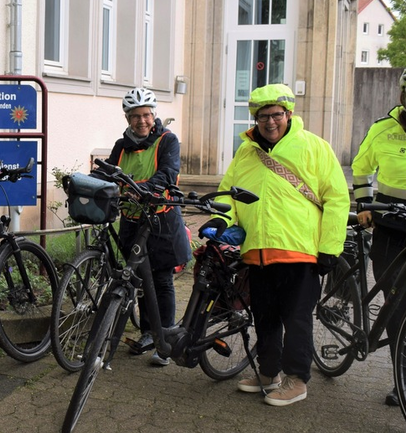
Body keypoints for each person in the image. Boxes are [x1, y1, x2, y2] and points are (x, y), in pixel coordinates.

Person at [199, 83, 348, 406]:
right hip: (257, 252)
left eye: (276, 115)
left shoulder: (314, 147)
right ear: (255, 118)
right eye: (263, 116)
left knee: (296, 318)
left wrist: (330, 248)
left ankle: (297, 380)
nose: (270, 122)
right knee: (265, 316)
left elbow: (337, 198)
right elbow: (228, 194)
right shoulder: (246, 152)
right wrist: (221, 221)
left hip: (300, 251)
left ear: (289, 114)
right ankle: (269, 373)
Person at [108, 87, 192, 366]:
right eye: (135, 116)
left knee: (161, 279)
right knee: (140, 279)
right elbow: (110, 171)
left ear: (154, 115)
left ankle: (164, 340)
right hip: (132, 219)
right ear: (127, 118)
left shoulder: (168, 140)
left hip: (161, 219)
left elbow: (168, 174)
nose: (141, 121)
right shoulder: (122, 146)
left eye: (146, 115)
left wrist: (141, 189)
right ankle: (147, 332)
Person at [351, 69, 406, 407]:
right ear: (402, 95)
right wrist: (364, 205)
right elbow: (360, 166)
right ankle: (402, 377)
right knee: (395, 302)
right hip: (389, 222)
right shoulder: (382, 130)